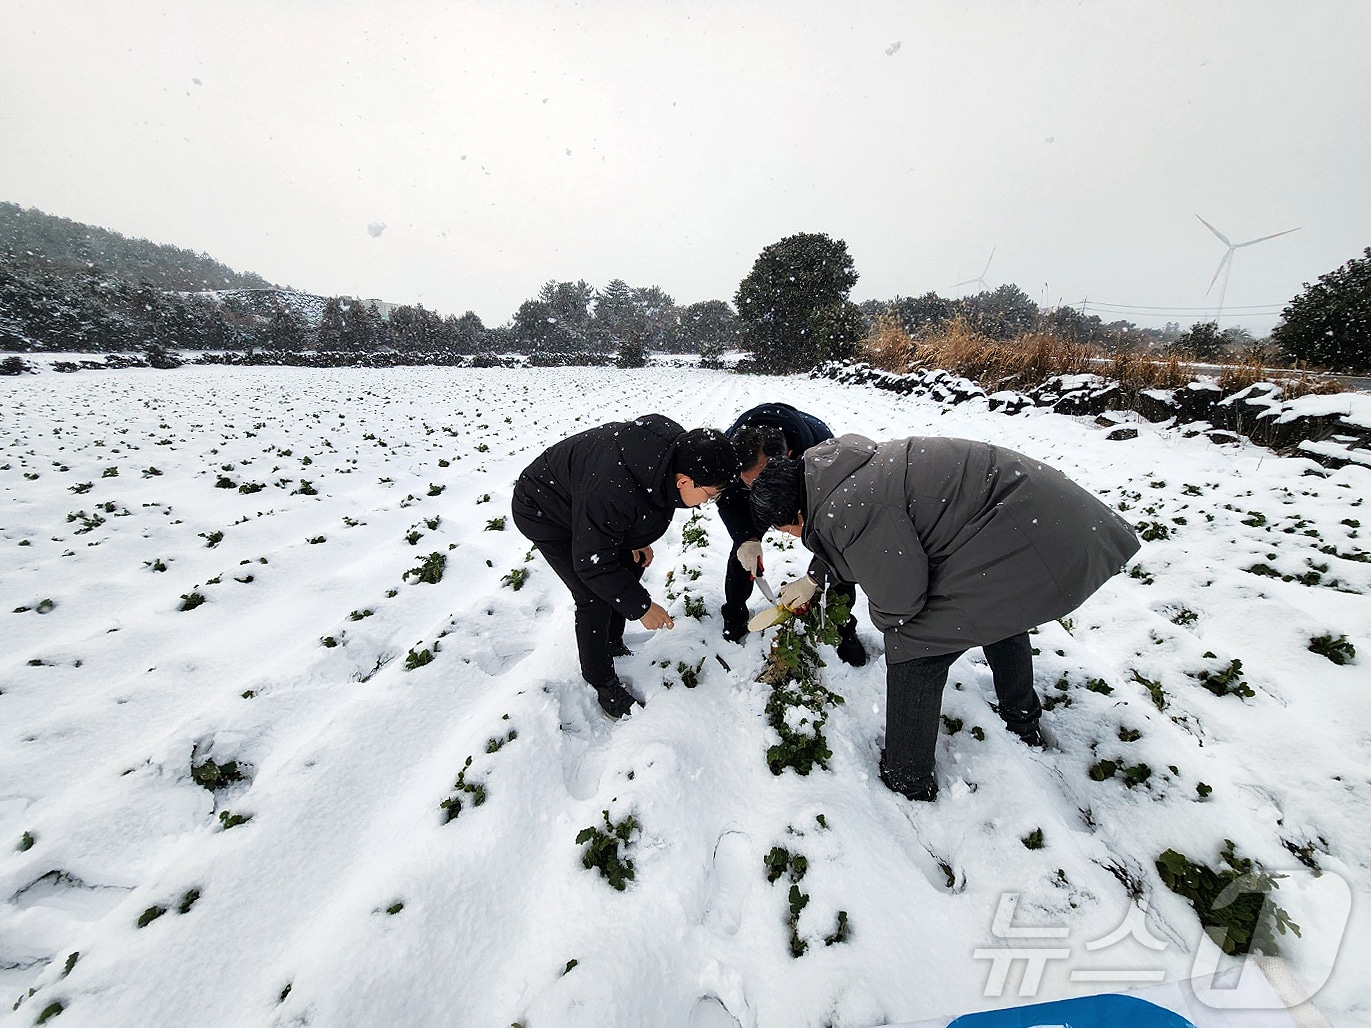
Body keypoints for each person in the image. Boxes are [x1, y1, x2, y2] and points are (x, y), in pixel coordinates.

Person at [748, 434, 1141, 802]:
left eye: (790, 528)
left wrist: (883, 619)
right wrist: (816, 577)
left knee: (914, 640)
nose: (794, 535)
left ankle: (908, 776)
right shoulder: (835, 468)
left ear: (799, 509)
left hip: (1029, 532)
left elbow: (902, 600)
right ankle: (1021, 717)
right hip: (1037, 515)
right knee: (997, 605)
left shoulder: (849, 506)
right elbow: (855, 528)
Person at [512, 415, 740, 719]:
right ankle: (602, 682)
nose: (707, 502)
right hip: (544, 507)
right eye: (710, 495)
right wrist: (642, 606)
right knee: (592, 594)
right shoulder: (613, 489)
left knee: (630, 563)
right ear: (684, 481)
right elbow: (591, 563)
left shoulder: (669, 458)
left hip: (585, 500)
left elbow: (638, 502)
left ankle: (611, 640)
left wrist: (633, 538)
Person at [716, 403, 866, 666]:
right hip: (753, 498)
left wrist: (814, 577)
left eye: (762, 477)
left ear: (788, 456)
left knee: (834, 550)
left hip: (805, 490)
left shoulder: (820, 449)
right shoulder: (731, 454)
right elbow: (728, 500)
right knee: (744, 555)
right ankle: (735, 613)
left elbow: (838, 535)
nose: (759, 487)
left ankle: (843, 625)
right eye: (750, 481)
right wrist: (746, 538)